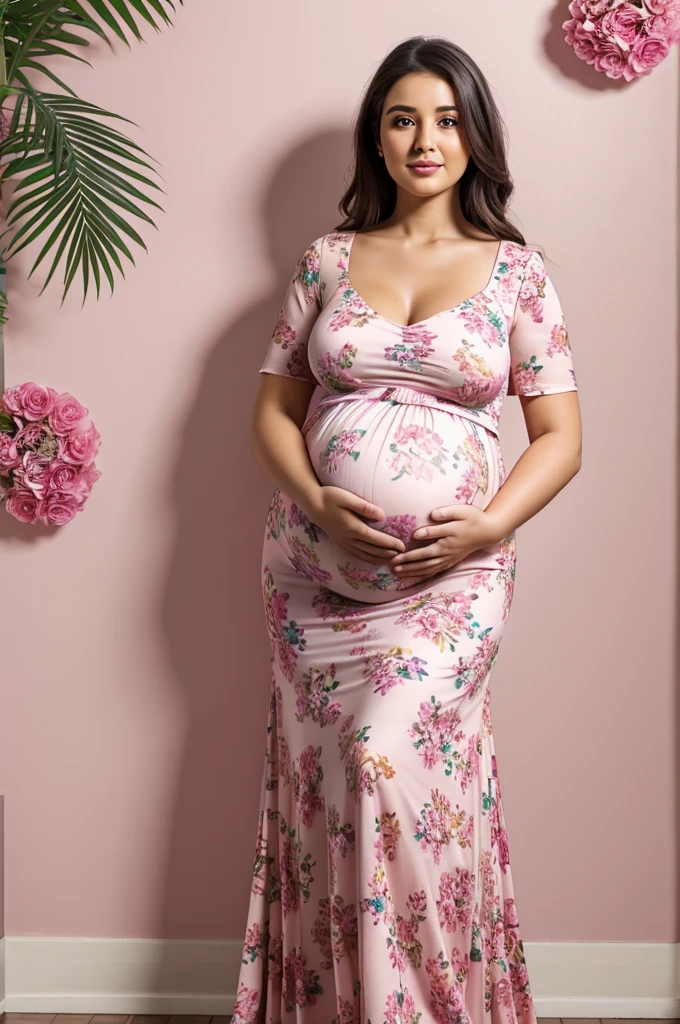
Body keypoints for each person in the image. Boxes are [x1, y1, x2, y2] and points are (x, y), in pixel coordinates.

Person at [233, 34, 582, 1024]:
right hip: (310, 581)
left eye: (443, 117)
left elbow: (558, 437)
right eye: (401, 118)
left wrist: (486, 528)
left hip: (450, 580)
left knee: (387, 760)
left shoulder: (517, 275)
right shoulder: (326, 259)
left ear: (474, 134)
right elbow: (268, 412)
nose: (424, 138)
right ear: (375, 141)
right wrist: (312, 497)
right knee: (337, 786)